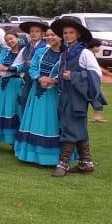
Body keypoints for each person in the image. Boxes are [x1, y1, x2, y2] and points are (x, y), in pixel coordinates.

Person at [53, 18, 106, 177]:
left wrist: (74, 76)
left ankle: (63, 163)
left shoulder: (84, 53)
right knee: (77, 127)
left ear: (78, 34)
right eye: (65, 33)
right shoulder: (65, 53)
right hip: (66, 94)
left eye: (71, 33)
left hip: (78, 96)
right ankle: (86, 163)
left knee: (71, 127)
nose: (68, 35)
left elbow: (97, 75)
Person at [14, 28, 66, 167]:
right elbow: (33, 68)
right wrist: (39, 78)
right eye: (47, 35)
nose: (49, 37)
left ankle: (49, 157)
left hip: (54, 94)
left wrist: (53, 80)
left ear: (61, 37)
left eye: (53, 35)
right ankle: (31, 155)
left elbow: (66, 71)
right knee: (35, 121)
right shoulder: (40, 51)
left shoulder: (66, 55)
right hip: (36, 91)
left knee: (49, 122)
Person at [15, 20, 48, 115]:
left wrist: (34, 64)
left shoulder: (46, 46)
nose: (34, 33)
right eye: (32, 31)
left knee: (37, 104)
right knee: (23, 99)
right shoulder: (26, 48)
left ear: (42, 33)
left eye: (37, 31)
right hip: (28, 80)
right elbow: (17, 62)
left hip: (40, 80)